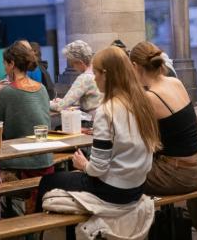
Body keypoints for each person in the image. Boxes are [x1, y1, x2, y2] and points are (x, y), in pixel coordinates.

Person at [37, 46, 160, 207]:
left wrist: (83, 165)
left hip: (113, 190)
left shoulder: (107, 110)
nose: (94, 79)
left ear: (106, 75)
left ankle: (35, 231)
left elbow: (98, 169)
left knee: (47, 181)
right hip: (137, 186)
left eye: (95, 73)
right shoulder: (142, 102)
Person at [130, 41, 197, 195]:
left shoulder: (150, 97)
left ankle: (144, 218)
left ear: (135, 66)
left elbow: (140, 140)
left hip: (179, 176)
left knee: (117, 179)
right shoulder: (175, 82)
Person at [0, 41, 52, 177]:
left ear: (12, 64)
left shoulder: (7, 92)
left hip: (22, 162)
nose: (4, 69)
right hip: (46, 158)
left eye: (5, 64)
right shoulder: (42, 88)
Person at [49, 40, 102, 118]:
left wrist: (47, 103)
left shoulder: (84, 78)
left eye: (72, 63)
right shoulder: (98, 72)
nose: (73, 67)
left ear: (79, 62)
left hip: (91, 121)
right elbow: (91, 98)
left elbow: (60, 107)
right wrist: (63, 101)